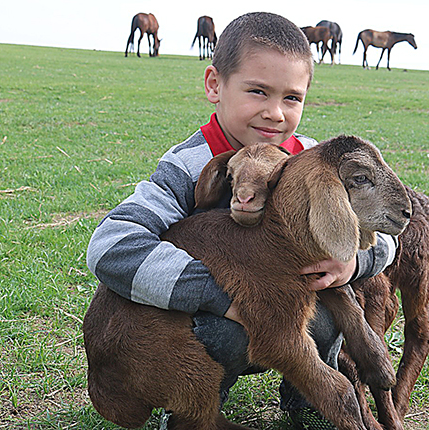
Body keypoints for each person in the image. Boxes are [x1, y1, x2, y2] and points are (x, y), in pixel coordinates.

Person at [85, 11, 398, 430]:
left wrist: (350, 263)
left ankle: (305, 390)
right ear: (215, 85)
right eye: (257, 92)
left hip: (283, 303)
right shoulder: (187, 166)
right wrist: (221, 297)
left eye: (292, 98)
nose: (274, 113)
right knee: (229, 332)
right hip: (216, 313)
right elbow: (111, 247)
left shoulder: (309, 158)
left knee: (329, 304)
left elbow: (382, 232)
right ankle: (196, 412)